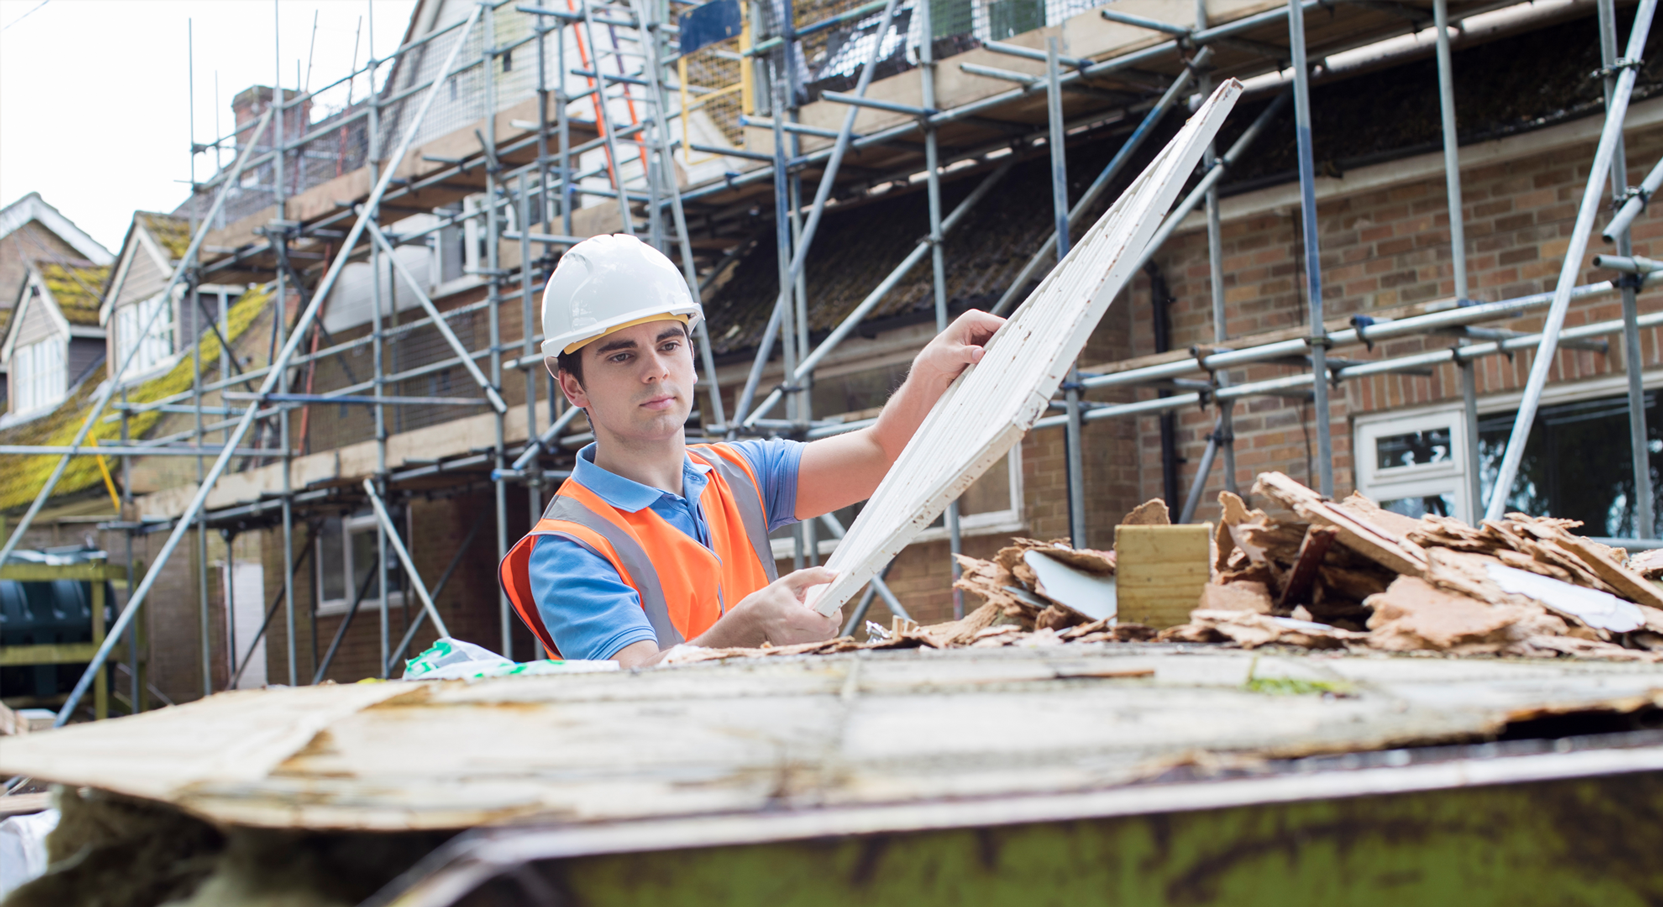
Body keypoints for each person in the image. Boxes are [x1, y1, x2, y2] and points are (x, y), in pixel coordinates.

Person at [499, 234, 1002, 668]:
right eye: (622, 355)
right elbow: (638, 689)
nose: (655, 370)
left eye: (669, 344)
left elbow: (879, 452)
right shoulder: (569, 548)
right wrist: (747, 627)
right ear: (573, 388)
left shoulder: (740, 472)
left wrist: (929, 374)